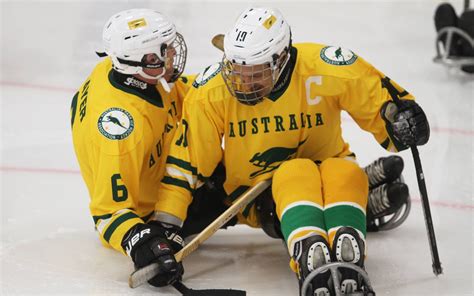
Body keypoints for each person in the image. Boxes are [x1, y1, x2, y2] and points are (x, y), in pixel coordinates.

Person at [152, 6, 430, 295]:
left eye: (255, 73)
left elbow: (379, 97)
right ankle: (317, 246)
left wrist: (400, 117)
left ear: (281, 59)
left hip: (330, 167)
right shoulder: (212, 90)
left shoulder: (323, 67)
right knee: (296, 170)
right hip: (259, 195)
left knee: (342, 169)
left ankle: (347, 243)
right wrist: (166, 224)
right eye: (237, 70)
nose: (243, 83)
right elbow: (186, 164)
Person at [70, 9, 192, 287]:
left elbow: (178, 94)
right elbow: (107, 213)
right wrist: (141, 241)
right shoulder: (120, 135)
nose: (173, 53)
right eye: (165, 50)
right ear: (146, 61)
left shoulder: (116, 69)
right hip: (151, 211)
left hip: (156, 165)